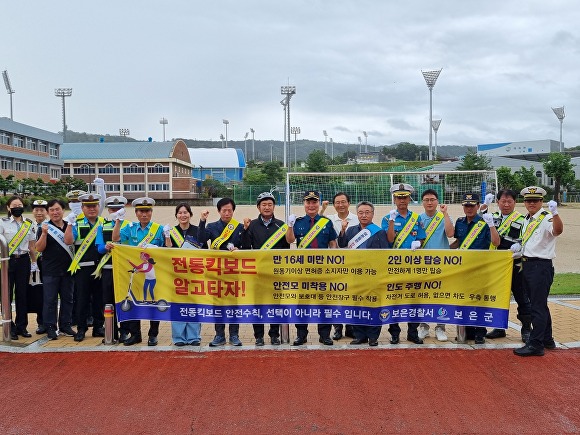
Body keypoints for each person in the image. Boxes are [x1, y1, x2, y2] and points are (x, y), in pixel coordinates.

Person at [513, 187, 563, 357]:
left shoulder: (546, 217)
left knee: (537, 307)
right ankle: (547, 339)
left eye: (535, 200)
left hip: (540, 266)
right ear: (524, 202)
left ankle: (536, 344)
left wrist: (555, 213)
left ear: (541, 201)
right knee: (539, 304)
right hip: (527, 265)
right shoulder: (528, 218)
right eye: (528, 200)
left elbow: (557, 231)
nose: (531, 203)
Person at [286, 190, 338, 346]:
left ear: (318, 204)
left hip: (323, 269)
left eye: (314, 202)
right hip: (303, 269)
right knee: (302, 303)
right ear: (304, 204)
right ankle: (301, 335)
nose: (311, 205)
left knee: (324, 303)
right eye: (308, 202)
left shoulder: (326, 222)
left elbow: (332, 244)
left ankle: (324, 335)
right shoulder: (298, 222)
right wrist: (290, 226)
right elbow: (290, 240)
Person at [112, 197, 165, 346]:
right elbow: (115, 239)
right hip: (135, 276)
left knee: (153, 303)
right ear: (136, 213)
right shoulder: (130, 228)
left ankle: (153, 334)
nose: (144, 214)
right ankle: (136, 334)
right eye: (141, 211)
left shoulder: (159, 229)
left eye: (147, 211)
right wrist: (117, 221)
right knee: (134, 302)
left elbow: (166, 251)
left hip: (153, 274)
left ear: (151, 212)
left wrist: (167, 237)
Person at [482, 190, 532, 342]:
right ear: (497, 202)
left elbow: (528, 239)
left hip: (515, 264)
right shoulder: (493, 217)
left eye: (509, 201)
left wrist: (521, 248)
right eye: (503, 201)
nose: (506, 204)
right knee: (498, 297)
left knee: (521, 296)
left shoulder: (523, 219)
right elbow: (478, 224)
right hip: (496, 265)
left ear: (515, 203)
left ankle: (526, 328)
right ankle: (499, 327)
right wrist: (485, 206)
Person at [450, 192, 500, 344]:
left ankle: (480, 332)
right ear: (463, 207)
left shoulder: (485, 221)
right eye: (466, 205)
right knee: (464, 299)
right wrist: (443, 250)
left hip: (480, 267)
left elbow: (496, 242)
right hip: (464, 267)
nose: (469, 208)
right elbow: (459, 242)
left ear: (478, 206)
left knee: (479, 300)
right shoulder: (460, 222)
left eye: (472, 205)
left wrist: (491, 225)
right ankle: (469, 330)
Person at [241, 192, 290, 346]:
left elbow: (285, 249)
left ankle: (274, 335)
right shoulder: (252, 225)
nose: (267, 207)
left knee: (275, 305)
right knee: (258, 306)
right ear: (258, 207)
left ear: (274, 206)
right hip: (257, 274)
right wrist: (245, 230)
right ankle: (259, 336)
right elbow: (246, 247)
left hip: (275, 274)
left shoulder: (281, 226)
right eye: (264, 204)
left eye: (270, 204)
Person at [337, 201, 388, 346]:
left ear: (372, 214)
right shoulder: (351, 230)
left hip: (373, 275)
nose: (364, 215)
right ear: (357, 214)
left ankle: (373, 336)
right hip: (356, 275)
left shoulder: (379, 232)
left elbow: (384, 254)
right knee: (356, 305)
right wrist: (342, 230)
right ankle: (359, 336)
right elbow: (342, 244)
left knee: (373, 305)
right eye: (361, 212)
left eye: (367, 212)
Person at [381, 183, 426, 345]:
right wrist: (392, 222)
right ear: (394, 199)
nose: (402, 200)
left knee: (413, 298)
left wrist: (418, 243)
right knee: (394, 299)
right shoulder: (387, 218)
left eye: (405, 197)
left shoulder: (416, 218)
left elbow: (421, 237)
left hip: (413, 264)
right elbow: (389, 239)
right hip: (394, 265)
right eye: (399, 197)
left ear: (409, 198)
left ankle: (412, 332)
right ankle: (394, 332)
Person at [198, 197, 244, 347]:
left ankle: (234, 335)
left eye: (229, 210)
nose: (227, 213)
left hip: (234, 272)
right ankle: (219, 335)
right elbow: (201, 240)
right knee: (217, 305)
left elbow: (247, 246)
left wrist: (240, 250)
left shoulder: (239, 227)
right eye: (224, 210)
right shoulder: (211, 227)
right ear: (219, 211)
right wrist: (202, 221)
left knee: (233, 305)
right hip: (216, 272)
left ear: (233, 211)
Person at [64, 193, 106, 342]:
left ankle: (98, 327)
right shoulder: (77, 223)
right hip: (83, 268)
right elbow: (68, 241)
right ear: (82, 208)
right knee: (82, 299)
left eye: (94, 206)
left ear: (98, 207)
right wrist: (69, 224)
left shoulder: (104, 222)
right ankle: (81, 328)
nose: (92, 209)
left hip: (100, 267)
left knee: (99, 299)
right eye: (88, 206)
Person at [35, 199, 76, 340]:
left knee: (68, 299)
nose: (55, 212)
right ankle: (50, 327)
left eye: (57, 209)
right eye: (51, 210)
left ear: (63, 210)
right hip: (50, 270)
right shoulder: (44, 227)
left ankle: (65, 325)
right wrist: (44, 234)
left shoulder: (70, 225)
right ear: (48, 212)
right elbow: (39, 248)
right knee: (50, 299)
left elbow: (70, 242)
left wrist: (70, 225)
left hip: (68, 269)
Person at [321, 192, 359, 341]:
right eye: (337, 202)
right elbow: (316, 222)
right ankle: (337, 328)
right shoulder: (329, 219)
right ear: (334, 204)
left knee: (351, 296)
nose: (341, 205)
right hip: (333, 265)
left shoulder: (357, 219)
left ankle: (351, 326)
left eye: (343, 202)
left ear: (349, 203)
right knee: (335, 297)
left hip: (352, 264)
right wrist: (323, 209)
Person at [417, 189, 454, 342]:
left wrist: (445, 214)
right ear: (422, 202)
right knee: (423, 296)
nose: (430, 202)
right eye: (426, 200)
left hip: (441, 264)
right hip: (423, 264)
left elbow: (450, 234)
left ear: (437, 201)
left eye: (432, 199)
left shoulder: (443, 217)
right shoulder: (417, 218)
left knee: (441, 296)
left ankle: (440, 327)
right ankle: (424, 326)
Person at [164, 202, 203, 347]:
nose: (183, 215)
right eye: (180, 213)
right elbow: (167, 252)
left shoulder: (198, 230)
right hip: (176, 275)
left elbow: (204, 250)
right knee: (177, 305)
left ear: (190, 215)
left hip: (194, 273)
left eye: (185, 212)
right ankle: (178, 337)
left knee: (193, 304)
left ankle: (194, 336)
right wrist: (167, 237)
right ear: (176, 216)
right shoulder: (171, 231)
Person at [0, 196, 37, 340]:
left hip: (23, 261)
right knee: (7, 294)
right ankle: (10, 327)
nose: (17, 207)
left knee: (22, 294)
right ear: (8, 208)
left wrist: (34, 263)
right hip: (7, 261)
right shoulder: (2, 223)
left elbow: (32, 246)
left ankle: (22, 326)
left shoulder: (29, 223)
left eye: (20, 205)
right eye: (14, 205)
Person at [95, 196, 129, 343]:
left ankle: (125, 331)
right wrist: (106, 247)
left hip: (125, 270)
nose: (115, 211)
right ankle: (111, 330)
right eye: (113, 209)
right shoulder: (102, 227)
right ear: (108, 210)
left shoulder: (130, 225)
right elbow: (99, 248)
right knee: (108, 300)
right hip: (108, 268)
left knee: (125, 301)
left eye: (118, 209)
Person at [31, 199, 48, 334]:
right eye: (36, 210)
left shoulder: (50, 226)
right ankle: (41, 322)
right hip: (33, 266)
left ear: (46, 212)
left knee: (50, 294)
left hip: (46, 264)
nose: (39, 212)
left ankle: (52, 323)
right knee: (38, 295)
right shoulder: (28, 226)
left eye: (42, 210)